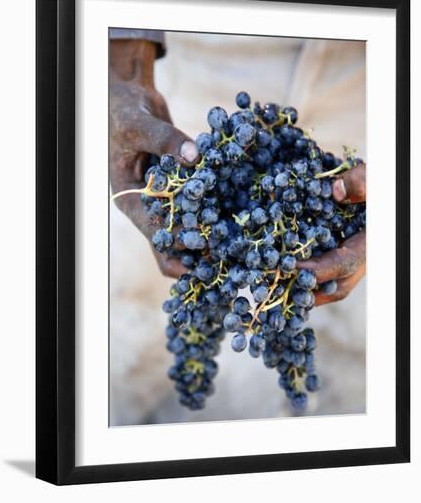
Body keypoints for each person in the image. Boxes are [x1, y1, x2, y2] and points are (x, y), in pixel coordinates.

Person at [109, 29, 366, 425]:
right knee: (134, 317)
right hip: (194, 91)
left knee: (351, 350)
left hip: (369, 111)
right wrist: (123, 65)